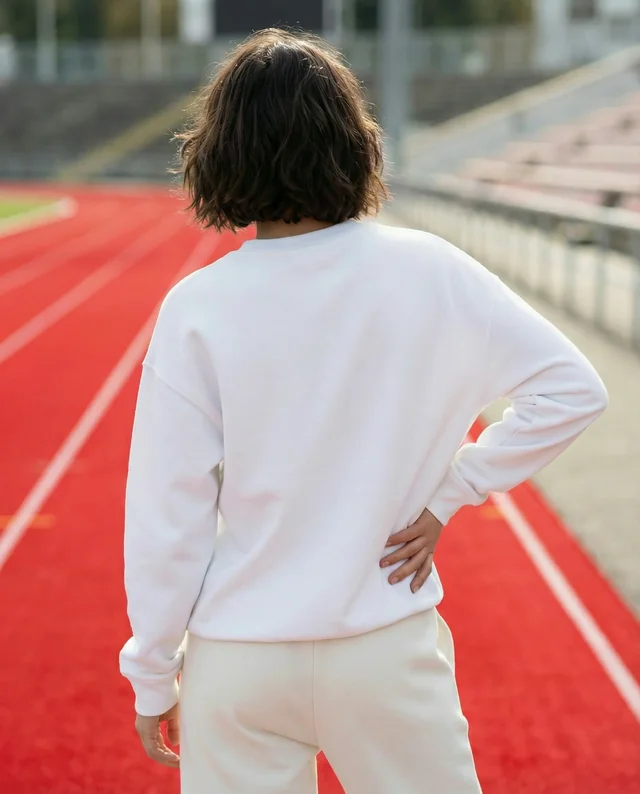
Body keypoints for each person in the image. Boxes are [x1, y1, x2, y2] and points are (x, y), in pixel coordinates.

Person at [119, 28, 608, 794]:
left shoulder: (196, 307)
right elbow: (573, 388)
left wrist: (153, 674)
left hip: (240, 654)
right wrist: (452, 492)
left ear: (222, 153)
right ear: (355, 143)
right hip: (384, 642)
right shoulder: (429, 269)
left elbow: (166, 514)